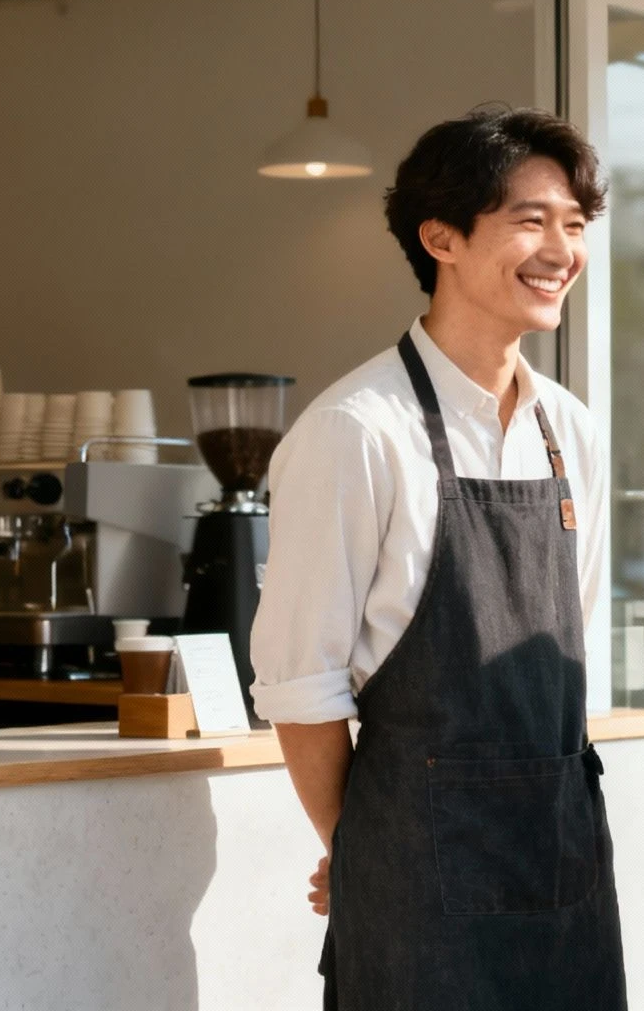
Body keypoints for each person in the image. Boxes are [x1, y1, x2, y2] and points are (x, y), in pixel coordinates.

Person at [248, 107, 623, 1010]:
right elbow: (303, 692)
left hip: (564, 861)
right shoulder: (354, 432)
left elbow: (573, 652)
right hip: (416, 887)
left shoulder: (568, 429)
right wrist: (367, 852)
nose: (561, 250)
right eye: (531, 220)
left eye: (574, 225)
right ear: (440, 238)